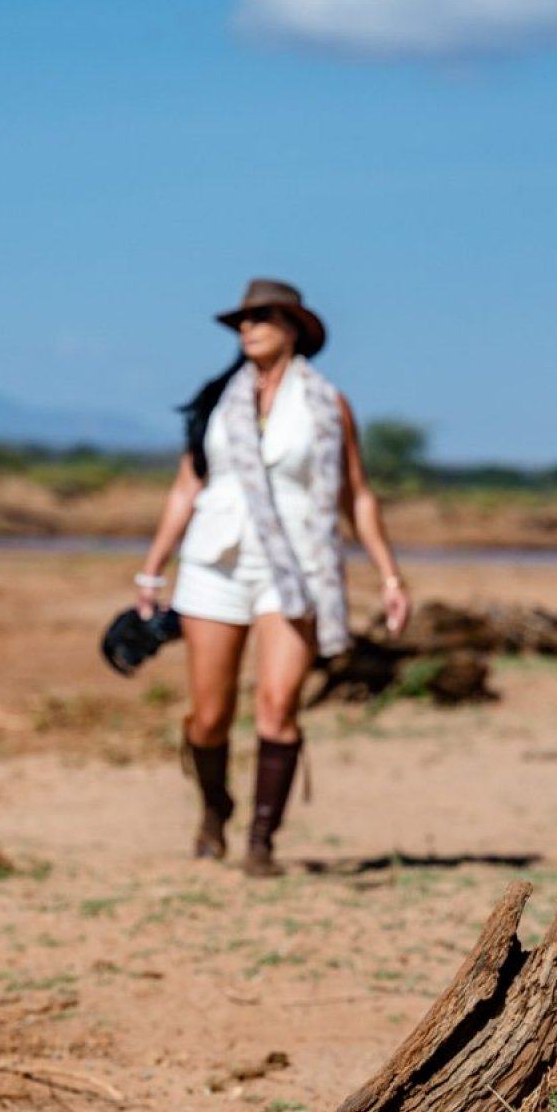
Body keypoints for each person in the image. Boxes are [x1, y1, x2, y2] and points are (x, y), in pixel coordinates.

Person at [135, 279, 411, 876]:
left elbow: (355, 495)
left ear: (293, 327)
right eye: (241, 319)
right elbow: (188, 486)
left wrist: (389, 576)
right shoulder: (218, 400)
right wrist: (152, 570)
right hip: (215, 560)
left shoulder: (326, 405)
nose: (247, 328)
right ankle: (215, 807)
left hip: (295, 565)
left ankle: (261, 841)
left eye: (260, 317)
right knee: (208, 716)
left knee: (276, 706)